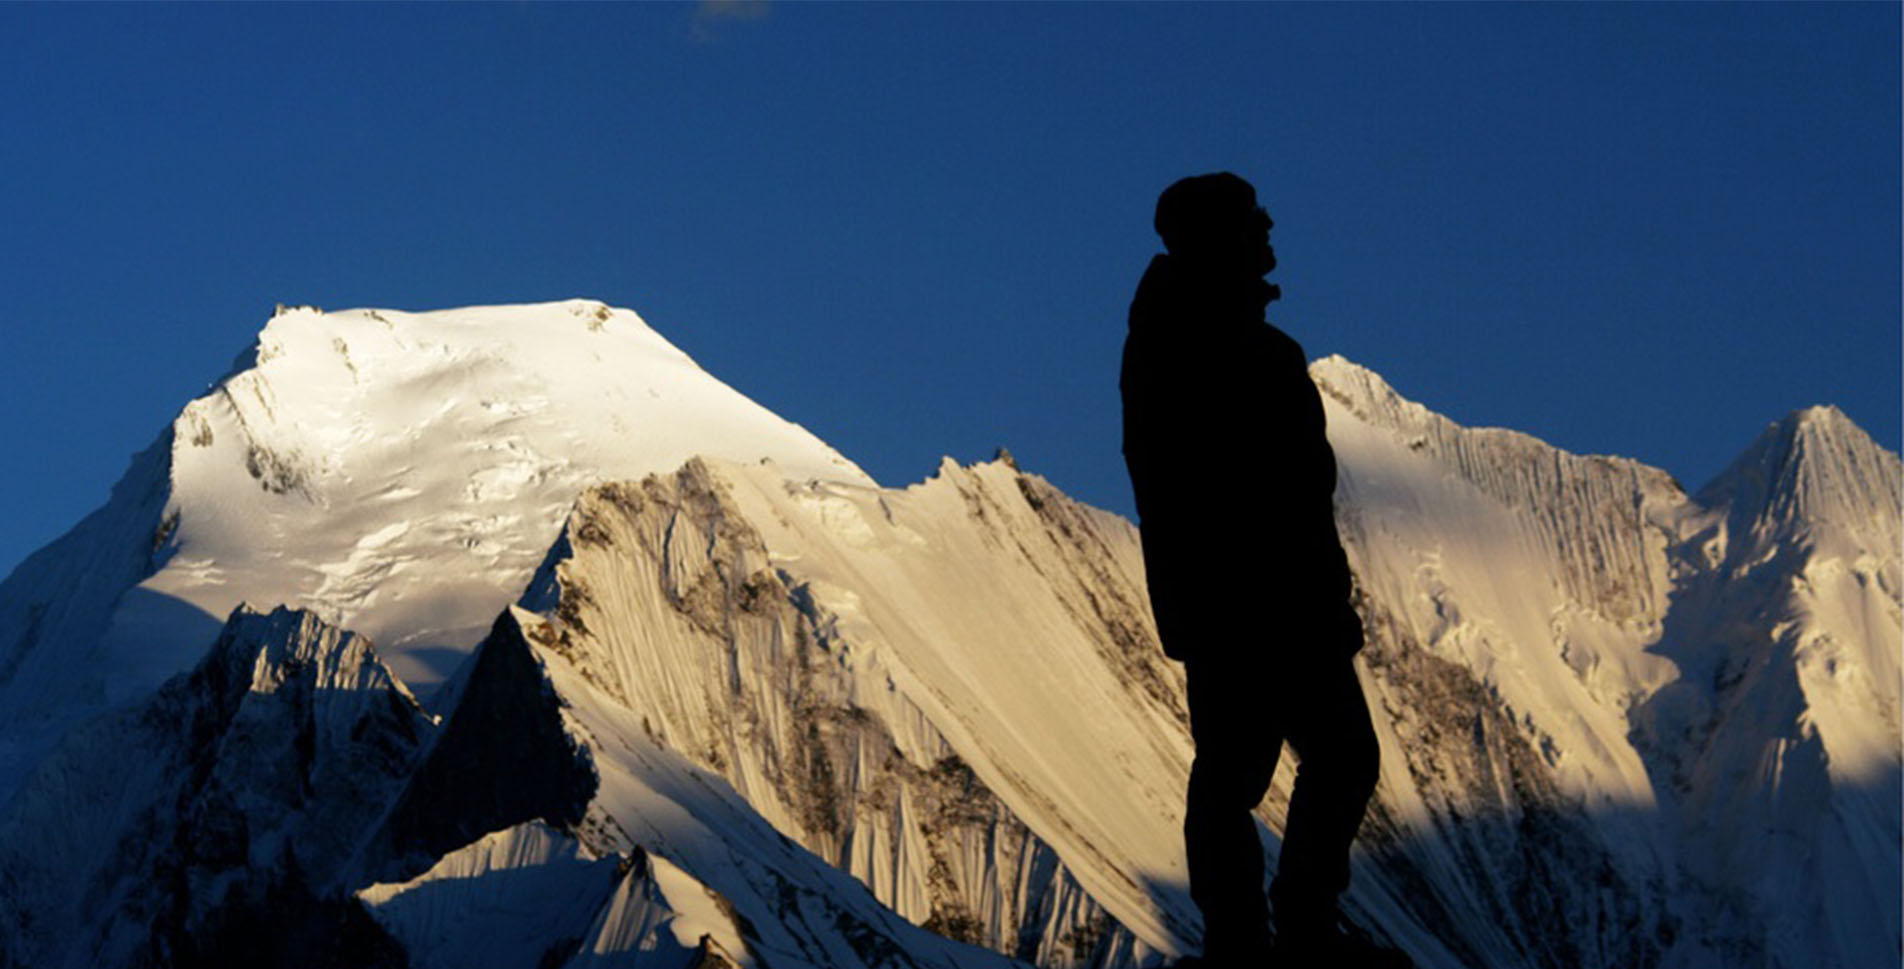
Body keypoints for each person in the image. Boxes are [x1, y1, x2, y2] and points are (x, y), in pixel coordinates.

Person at [1121, 173, 1406, 968]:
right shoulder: (1202, 347)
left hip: (1256, 599)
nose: (1272, 232)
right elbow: (1246, 488)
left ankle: (1263, 930)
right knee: (1282, 765)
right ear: (1225, 239)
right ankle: (1271, 931)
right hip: (1251, 601)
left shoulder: (1199, 341)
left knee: (1274, 766)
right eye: (1256, 222)